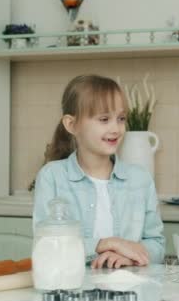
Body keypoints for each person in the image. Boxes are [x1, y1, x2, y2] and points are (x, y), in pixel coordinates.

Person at [33, 74, 165, 269]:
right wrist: (106, 243)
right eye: (104, 119)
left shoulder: (140, 179)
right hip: (72, 291)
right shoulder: (51, 177)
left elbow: (157, 245)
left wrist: (130, 257)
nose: (116, 128)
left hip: (130, 291)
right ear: (71, 125)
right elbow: (45, 246)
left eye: (121, 119)